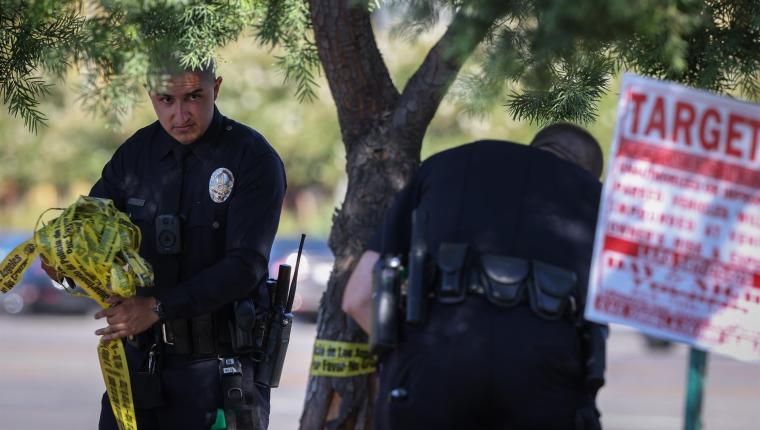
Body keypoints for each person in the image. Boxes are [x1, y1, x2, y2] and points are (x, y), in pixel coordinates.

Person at [43, 62, 286, 429]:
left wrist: (158, 307)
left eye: (193, 97)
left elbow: (245, 266)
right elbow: (91, 228)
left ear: (216, 88)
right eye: (166, 100)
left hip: (220, 373)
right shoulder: (135, 154)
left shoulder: (251, 157)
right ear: (150, 94)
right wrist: (64, 262)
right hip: (141, 367)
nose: (180, 115)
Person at [342, 123, 606, 430]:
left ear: (534, 147)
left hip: (431, 370)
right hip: (545, 382)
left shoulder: (444, 166)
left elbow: (357, 299)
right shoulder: (597, 201)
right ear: (589, 174)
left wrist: (406, 359)